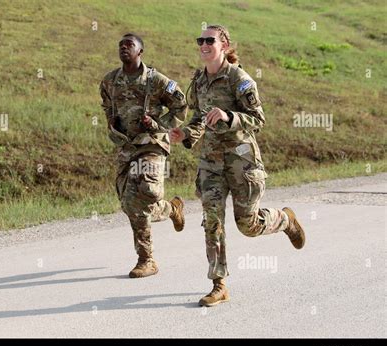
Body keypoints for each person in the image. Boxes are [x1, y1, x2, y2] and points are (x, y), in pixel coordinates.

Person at [170, 25, 306, 306]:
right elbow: (199, 117)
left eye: (210, 40)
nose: (204, 45)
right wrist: (186, 133)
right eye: (201, 40)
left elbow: (258, 118)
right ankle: (218, 284)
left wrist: (229, 116)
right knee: (212, 221)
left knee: (248, 225)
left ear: (224, 45)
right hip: (210, 163)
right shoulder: (198, 80)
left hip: (241, 161)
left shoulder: (238, 78)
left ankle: (284, 220)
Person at [100, 33, 188, 278]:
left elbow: (180, 106)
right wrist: (111, 121)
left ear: (141, 51)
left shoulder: (157, 81)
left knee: (148, 192)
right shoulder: (109, 81)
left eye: (129, 45)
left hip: (151, 144)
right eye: (121, 45)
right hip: (126, 146)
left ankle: (146, 259)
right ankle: (171, 210)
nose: (124, 48)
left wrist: (159, 124)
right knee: (129, 203)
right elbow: (106, 104)